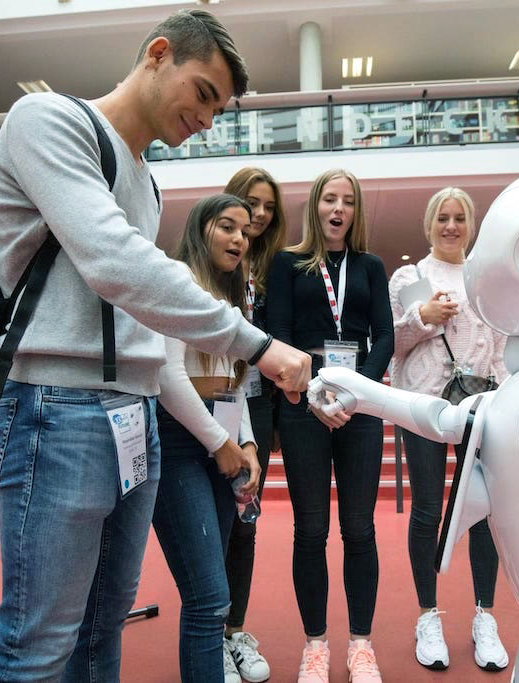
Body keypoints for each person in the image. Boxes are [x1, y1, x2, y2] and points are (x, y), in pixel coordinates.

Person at [0, 10, 310, 681]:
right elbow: (114, 262)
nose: (208, 119)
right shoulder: (49, 120)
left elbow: (138, 317)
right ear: (158, 54)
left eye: (219, 108)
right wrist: (258, 343)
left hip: (135, 416)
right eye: (204, 94)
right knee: (38, 645)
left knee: (104, 627)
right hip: (58, 406)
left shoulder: (145, 178)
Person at [266, 169, 394, 683]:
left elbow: (383, 336)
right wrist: (317, 393)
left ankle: (361, 644)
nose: (338, 209)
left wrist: (355, 390)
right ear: (314, 206)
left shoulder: (371, 265)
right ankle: (315, 644)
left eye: (348, 202)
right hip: (302, 407)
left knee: (360, 530)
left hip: (359, 407)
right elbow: (277, 333)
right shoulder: (287, 264)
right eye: (329, 200)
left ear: (356, 212)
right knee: (311, 530)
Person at [387, 187, 510, 672]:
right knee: (427, 509)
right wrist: (422, 316)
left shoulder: (487, 278)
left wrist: (506, 394)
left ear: (471, 224)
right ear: (429, 224)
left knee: (482, 509)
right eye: (443, 217)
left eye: (460, 217)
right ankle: (427, 614)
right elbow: (393, 343)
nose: (452, 226)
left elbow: (500, 346)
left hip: (482, 405)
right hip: (424, 405)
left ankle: (485, 615)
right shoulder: (411, 276)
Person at [150, 194, 263, 683]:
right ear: (201, 229)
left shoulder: (234, 297)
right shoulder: (178, 282)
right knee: (209, 596)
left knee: (209, 594)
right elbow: (167, 375)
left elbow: (235, 380)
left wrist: (249, 443)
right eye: (226, 227)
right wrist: (222, 443)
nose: (238, 238)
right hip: (180, 445)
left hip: (221, 441)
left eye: (244, 230)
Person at [219, 167, 287, 683]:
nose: (259, 215)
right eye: (250, 203)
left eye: (267, 206)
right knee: (215, 522)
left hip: (259, 411)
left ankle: (234, 629)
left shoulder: (275, 269)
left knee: (246, 521)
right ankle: (211, 632)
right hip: (215, 402)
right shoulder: (214, 262)